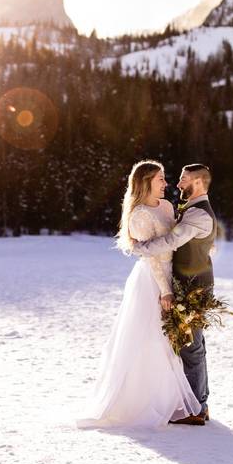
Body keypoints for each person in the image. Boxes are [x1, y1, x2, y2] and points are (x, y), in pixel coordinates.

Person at [76, 160, 200, 428]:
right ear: (145, 183)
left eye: (165, 178)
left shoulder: (166, 206)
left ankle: (174, 401)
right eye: (160, 179)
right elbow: (151, 255)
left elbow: (176, 240)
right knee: (152, 341)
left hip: (173, 274)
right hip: (153, 281)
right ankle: (152, 403)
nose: (165, 184)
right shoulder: (139, 215)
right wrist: (165, 291)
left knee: (170, 342)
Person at [130, 163, 216, 425]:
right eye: (175, 179)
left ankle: (197, 407)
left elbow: (171, 241)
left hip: (192, 284)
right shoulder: (187, 209)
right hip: (183, 281)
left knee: (192, 348)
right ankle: (197, 402)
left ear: (199, 183)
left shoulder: (198, 215)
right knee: (191, 346)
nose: (177, 184)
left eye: (183, 179)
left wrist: (140, 248)